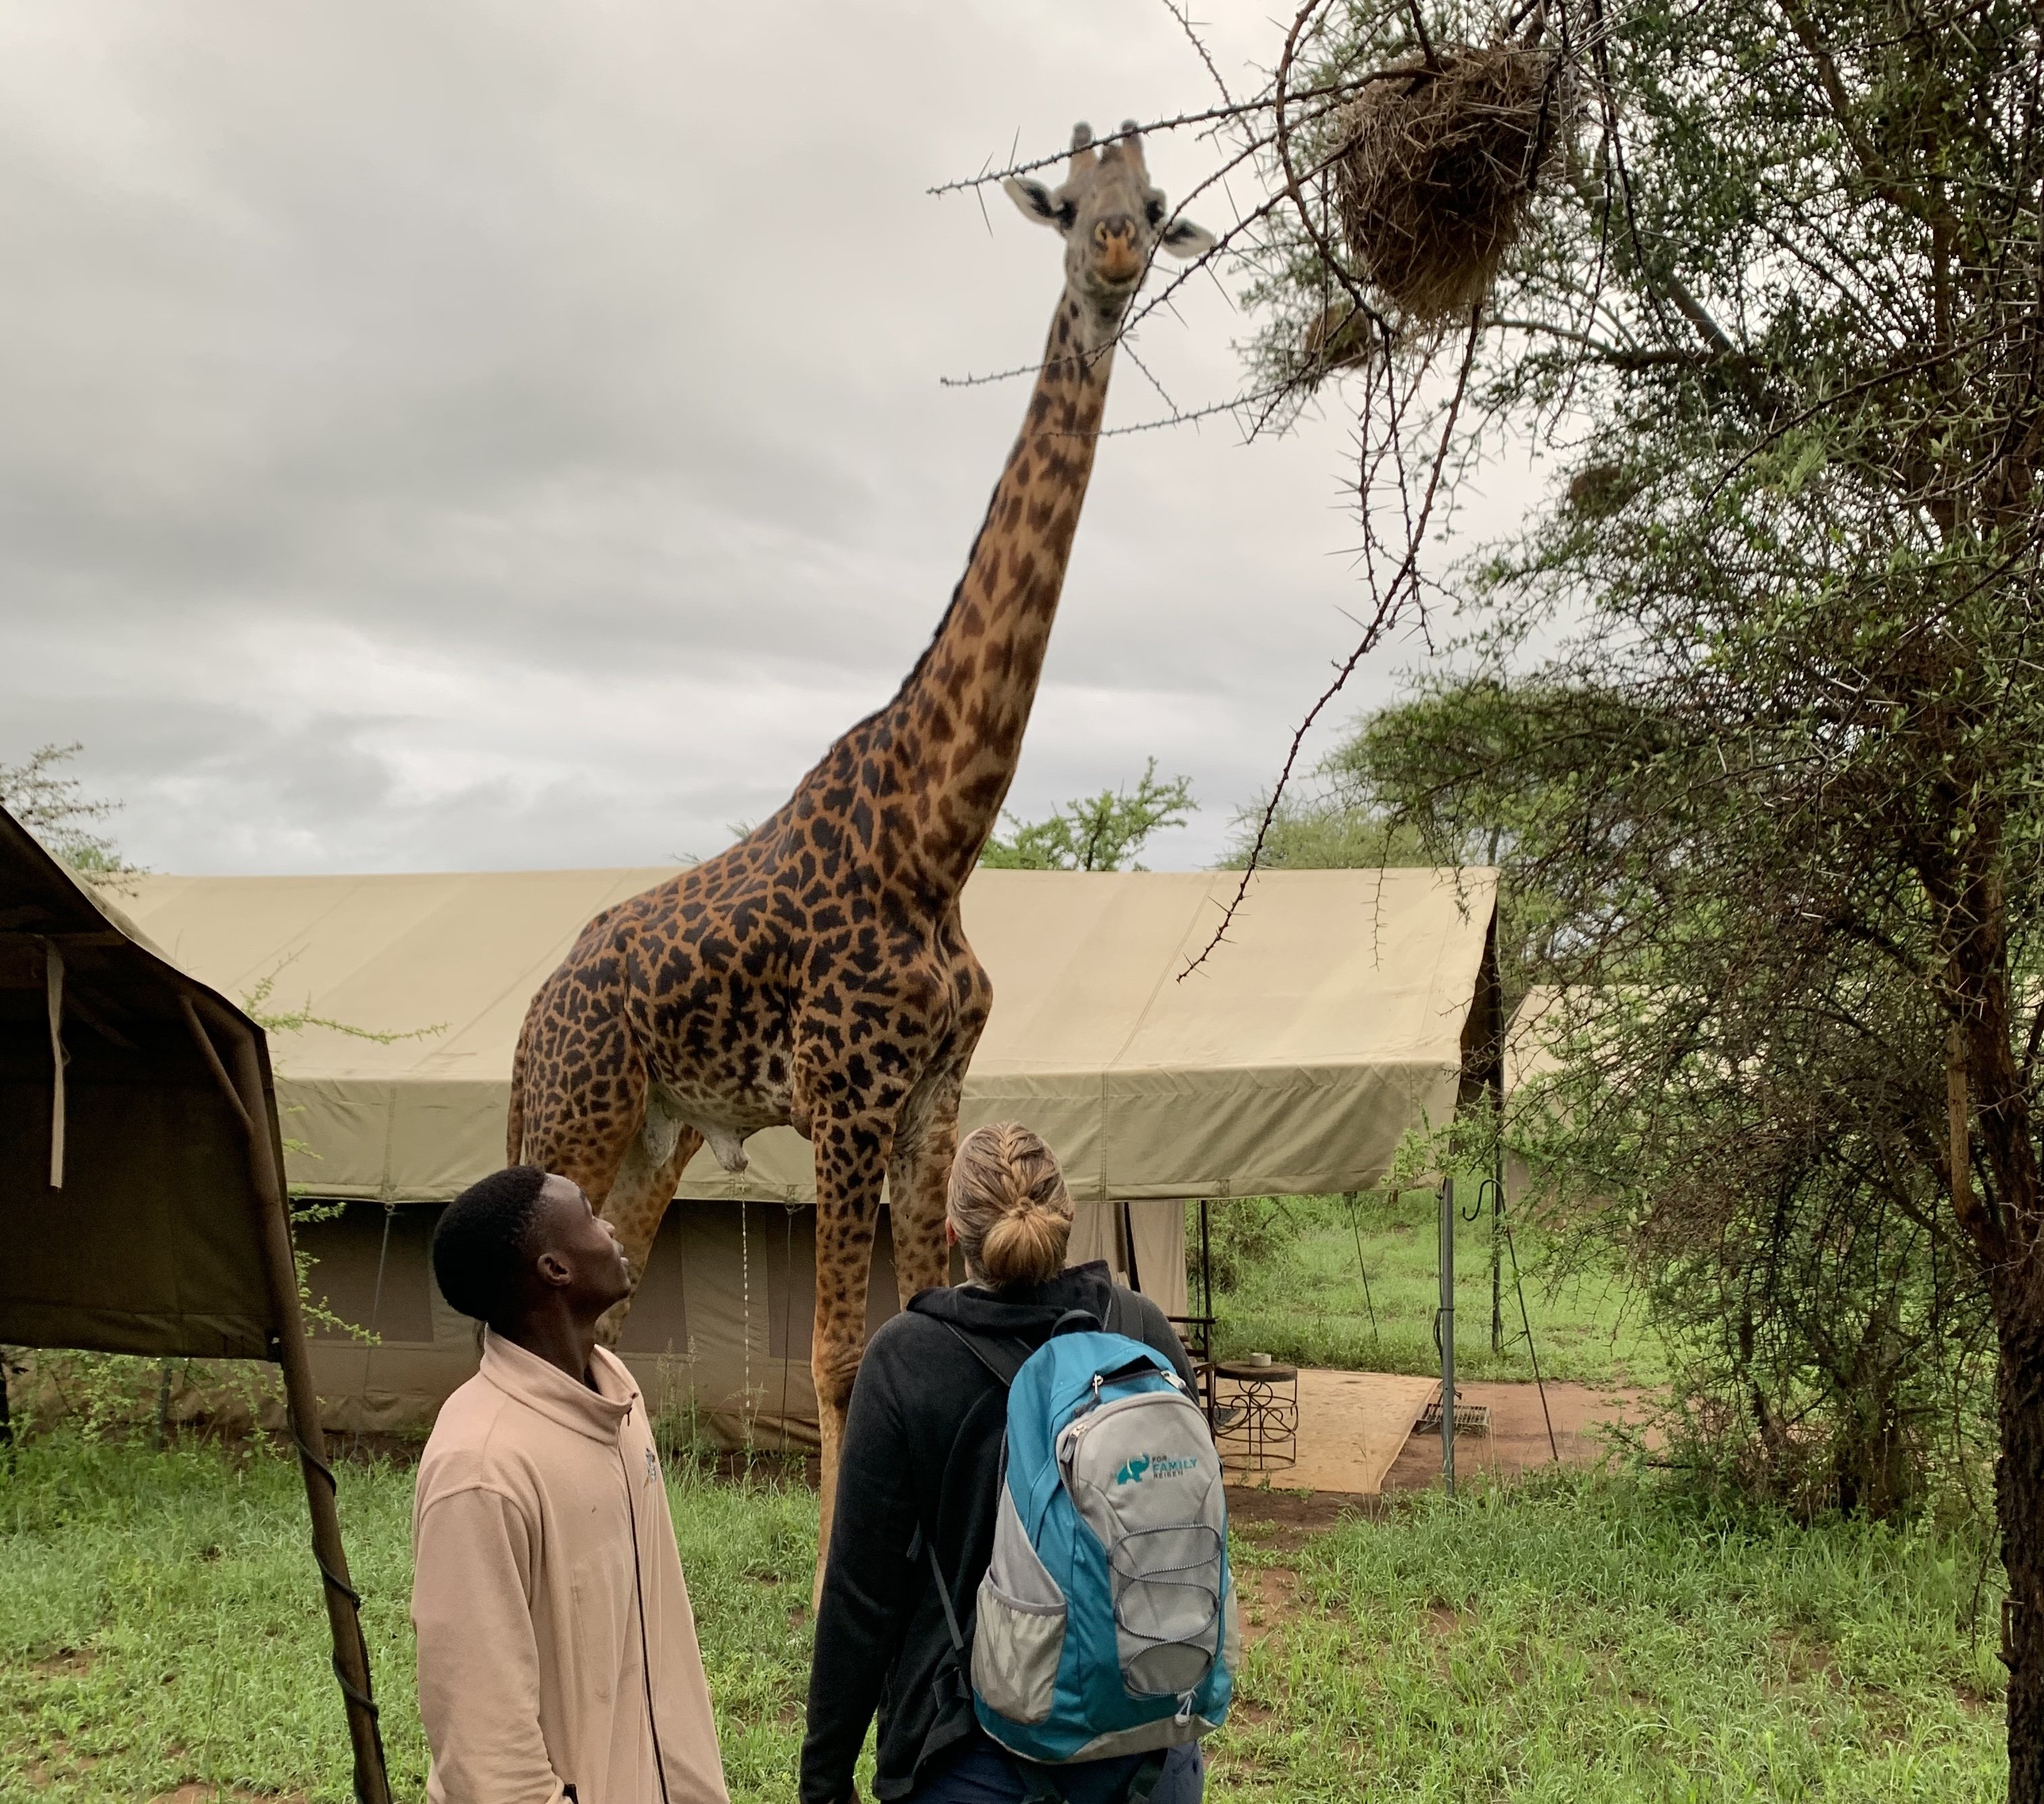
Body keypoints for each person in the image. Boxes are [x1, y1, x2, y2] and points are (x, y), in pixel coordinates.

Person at [800, 1123, 1206, 1804]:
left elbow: (861, 1599)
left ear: (952, 1232)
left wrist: (824, 1778)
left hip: (977, 1757)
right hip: (1150, 1745)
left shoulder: (907, 1359)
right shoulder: (1140, 1329)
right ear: (1068, 1218)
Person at [411, 1164, 729, 1804]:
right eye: (588, 1212)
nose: (609, 1226)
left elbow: (658, 1649)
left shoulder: (617, 1398)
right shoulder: (481, 1465)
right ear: (554, 1268)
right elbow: (485, 1747)